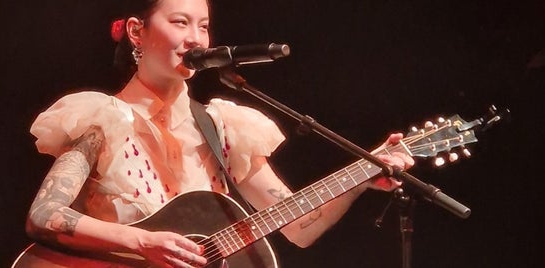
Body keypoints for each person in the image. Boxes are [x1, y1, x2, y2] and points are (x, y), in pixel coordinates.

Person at [24, 0, 414, 267]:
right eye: (180, 22)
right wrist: (142, 241)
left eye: (204, 26)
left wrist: (362, 176)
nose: (196, 38)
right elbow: (44, 215)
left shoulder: (222, 128)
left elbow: (299, 226)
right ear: (136, 32)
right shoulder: (101, 119)